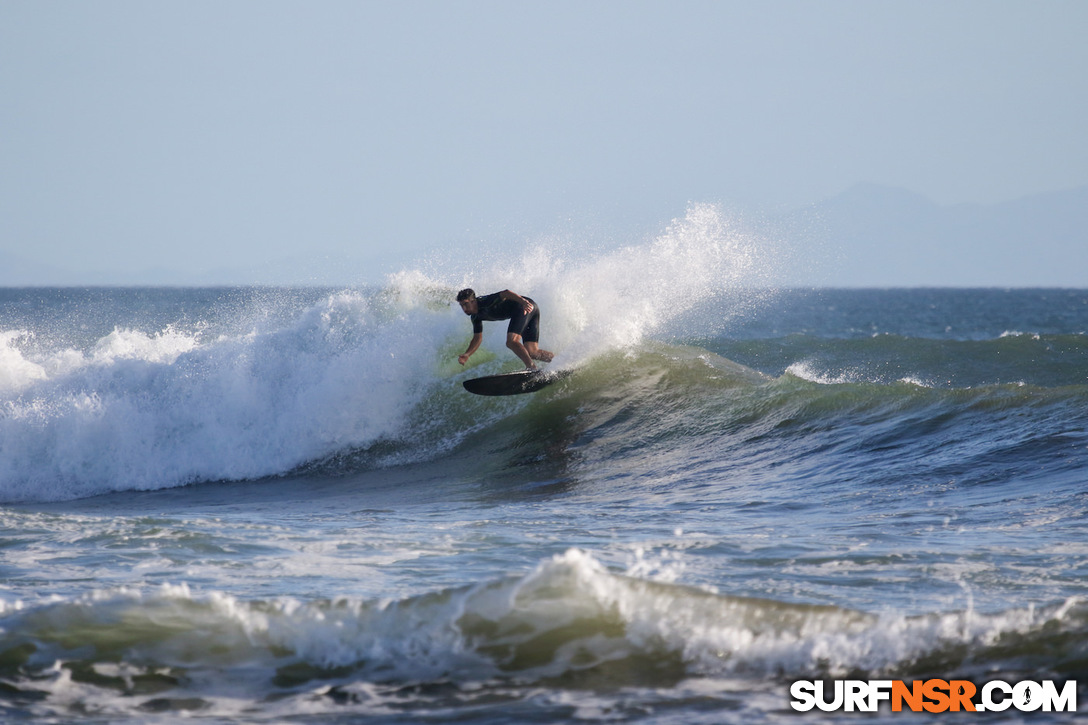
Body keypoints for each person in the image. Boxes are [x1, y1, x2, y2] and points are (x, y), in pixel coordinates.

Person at [456, 288, 554, 370]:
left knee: (511, 341)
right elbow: (477, 338)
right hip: (529, 308)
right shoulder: (475, 317)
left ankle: (531, 367)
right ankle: (560, 360)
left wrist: (523, 302)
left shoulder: (484, 301)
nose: (464, 309)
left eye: (466, 304)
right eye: (462, 305)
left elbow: (505, 293)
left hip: (523, 307)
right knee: (532, 352)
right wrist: (467, 354)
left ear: (473, 301)